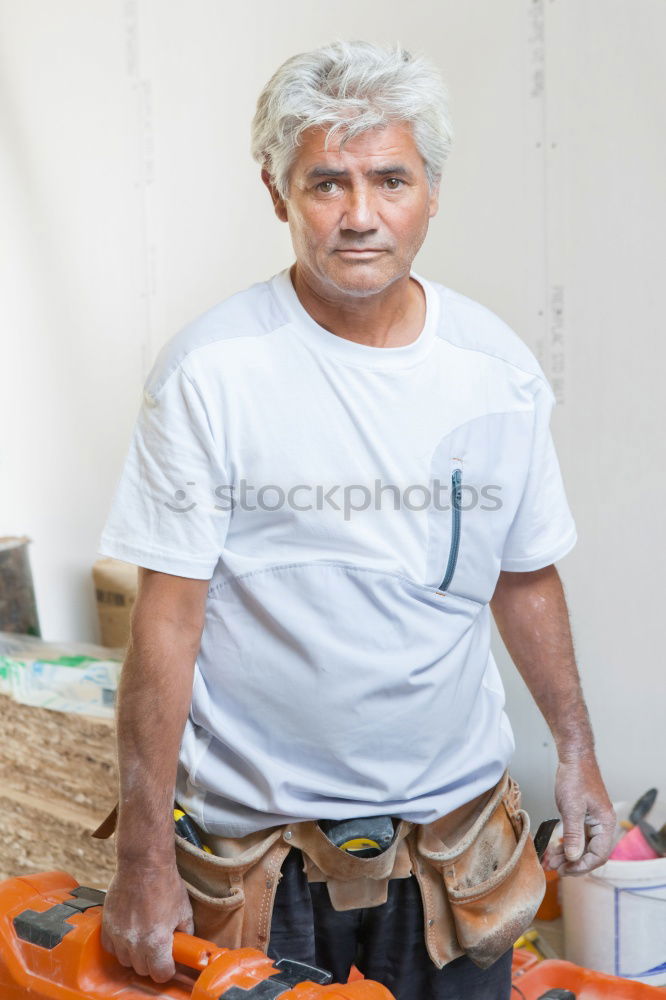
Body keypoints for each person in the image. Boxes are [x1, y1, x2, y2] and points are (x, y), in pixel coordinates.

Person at [96, 40, 615, 1000]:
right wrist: (141, 855)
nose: (362, 215)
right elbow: (167, 618)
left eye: (390, 179)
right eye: (327, 183)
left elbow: (525, 575)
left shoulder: (493, 371)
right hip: (257, 854)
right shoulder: (213, 373)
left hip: (453, 850)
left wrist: (577, 753)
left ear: (432, 190)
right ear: (276, 192)